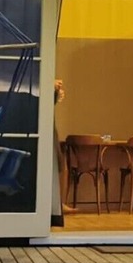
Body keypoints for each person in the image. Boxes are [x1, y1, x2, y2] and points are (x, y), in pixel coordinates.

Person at [53, 79, 74, 214]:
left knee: (60, 164)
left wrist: (55, 92)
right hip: (46, 130)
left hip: (51, 128)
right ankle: (57, 203)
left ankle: (59, 202)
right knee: (57, 164)